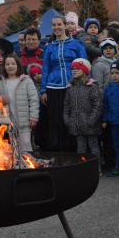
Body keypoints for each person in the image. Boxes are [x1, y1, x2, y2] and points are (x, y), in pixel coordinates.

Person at [39, 15, 87, 152]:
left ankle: (75, 150)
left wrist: (84, 85)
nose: (56, 27)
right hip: (53, 87)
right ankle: (58, 150)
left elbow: (85, 66)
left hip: (73, 85)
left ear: (66, 26)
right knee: (56, 120)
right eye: (54, 25)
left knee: (72, 119)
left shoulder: (76, 44)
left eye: (59, 24)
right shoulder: (49, 48)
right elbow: (46, 69)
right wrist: (43, 91)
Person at [61, 58, 102, 174]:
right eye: (73, 69)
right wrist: (67, 120)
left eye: (77, 68)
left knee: (94, 147)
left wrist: (91, 121)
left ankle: (96, 167)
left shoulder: (92, 86)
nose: (74, 71)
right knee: (81, 148)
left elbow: (98, 105)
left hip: (90, 125)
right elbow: (66, 105)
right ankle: (82, 168)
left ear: (84, 70)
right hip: (76, 124)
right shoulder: (71, 87)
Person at [0, 54, 38, 152]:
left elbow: (33, 100)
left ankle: (28, 165)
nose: (10, 66)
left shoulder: (26, 81)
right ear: (4, 67)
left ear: (18, 65)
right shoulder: (0, 84)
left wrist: (33, 117)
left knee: (26, 144)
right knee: (12, 148)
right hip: (8, 123)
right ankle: (15, 166)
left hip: (24, 121)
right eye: (7, 64)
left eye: (13, 64)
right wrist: (0, 100)